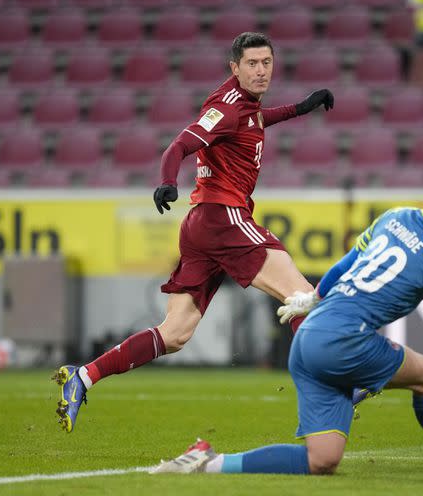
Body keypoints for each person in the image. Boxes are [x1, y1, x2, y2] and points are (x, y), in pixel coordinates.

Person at [153, 164, 423, 476]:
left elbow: (346, 265)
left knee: (322, 460)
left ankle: (209, 462)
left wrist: (312, 299)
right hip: (345, 340)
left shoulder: (395, 218)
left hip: (309, 338)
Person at [53, 32, 335, 432]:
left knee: (174, 334)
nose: (260, 71)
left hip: (202, 226)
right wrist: (168, 180)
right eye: (252, 64)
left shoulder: (246, 108)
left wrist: (299, 108)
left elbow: (254, 119)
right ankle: (334, 385)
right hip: (224, 217)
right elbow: (179, 145)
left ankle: (82, 378)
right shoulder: (227, 106)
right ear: (234, 67)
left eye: (266, 63)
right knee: (303, 296)